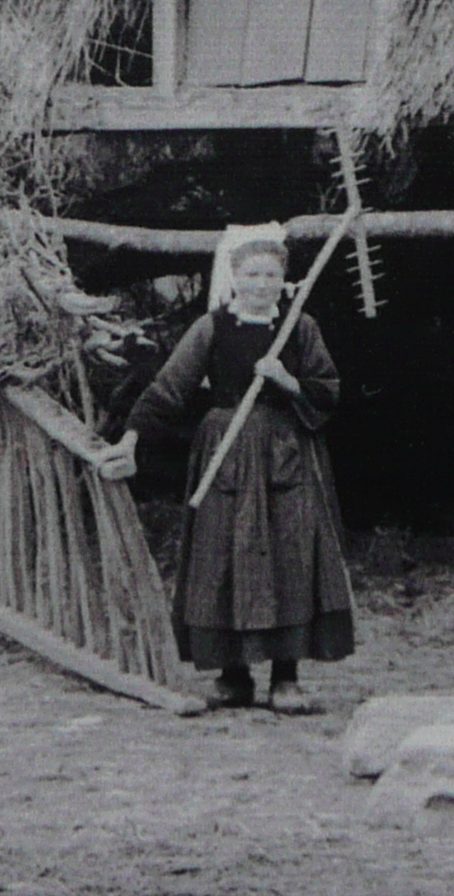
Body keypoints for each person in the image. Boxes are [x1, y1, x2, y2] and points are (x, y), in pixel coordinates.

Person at [99, 224, 356, 712]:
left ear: (284, 279)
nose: (262, 283)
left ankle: (286, 678)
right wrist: (132, 440)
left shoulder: (300, 327)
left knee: (291, 557)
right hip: (226, 452)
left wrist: (286, 380)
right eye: (252, 273)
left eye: (271, 274)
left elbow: (328, 389)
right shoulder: (212, 327)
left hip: (288, 455)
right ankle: (233, 676)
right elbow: (169, 388)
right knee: (222, 557)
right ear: (234, 277)